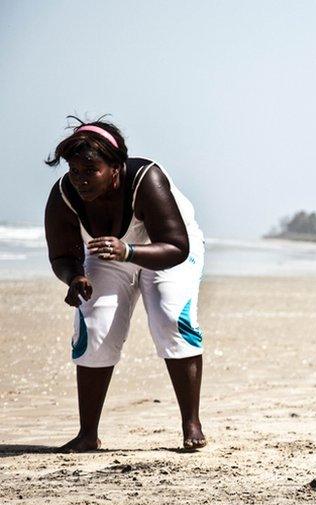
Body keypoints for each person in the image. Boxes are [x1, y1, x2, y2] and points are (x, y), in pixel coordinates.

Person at [43, 118, 207, 452]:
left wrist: (129, 251)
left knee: (170, 318)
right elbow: (61, 255)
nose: (81, 179)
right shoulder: (64, 195)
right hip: (109, 253)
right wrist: (74, 278)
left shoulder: (147, 179)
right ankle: (88, 434)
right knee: (95, 328)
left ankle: (192, 425)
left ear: (115, 166)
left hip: (167, 247)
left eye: (91, 169)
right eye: (75, 170)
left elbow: (177, 247)